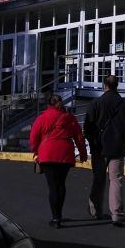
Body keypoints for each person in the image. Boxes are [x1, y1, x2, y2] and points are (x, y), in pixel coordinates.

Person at [83, 75, 125, 226]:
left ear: (104, 85)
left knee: (98, 180)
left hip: (99, 149)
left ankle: (96, 210)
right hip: (117, 148)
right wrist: (123, 142)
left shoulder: (96, 103)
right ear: (116, 85)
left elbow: (87, 127)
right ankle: (117, 214)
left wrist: (93, 143)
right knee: (116, 180)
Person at [29, 95, 87, 228]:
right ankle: (59, 214)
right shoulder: (69, 118)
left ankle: (55, 218)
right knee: (61, 184)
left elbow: (33, 137)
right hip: (65, 155)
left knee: (53, 186)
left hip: (47, 154)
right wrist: (83, 153)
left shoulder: (42, 117)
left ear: (49, 104)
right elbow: (79, 137)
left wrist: (36, 151)